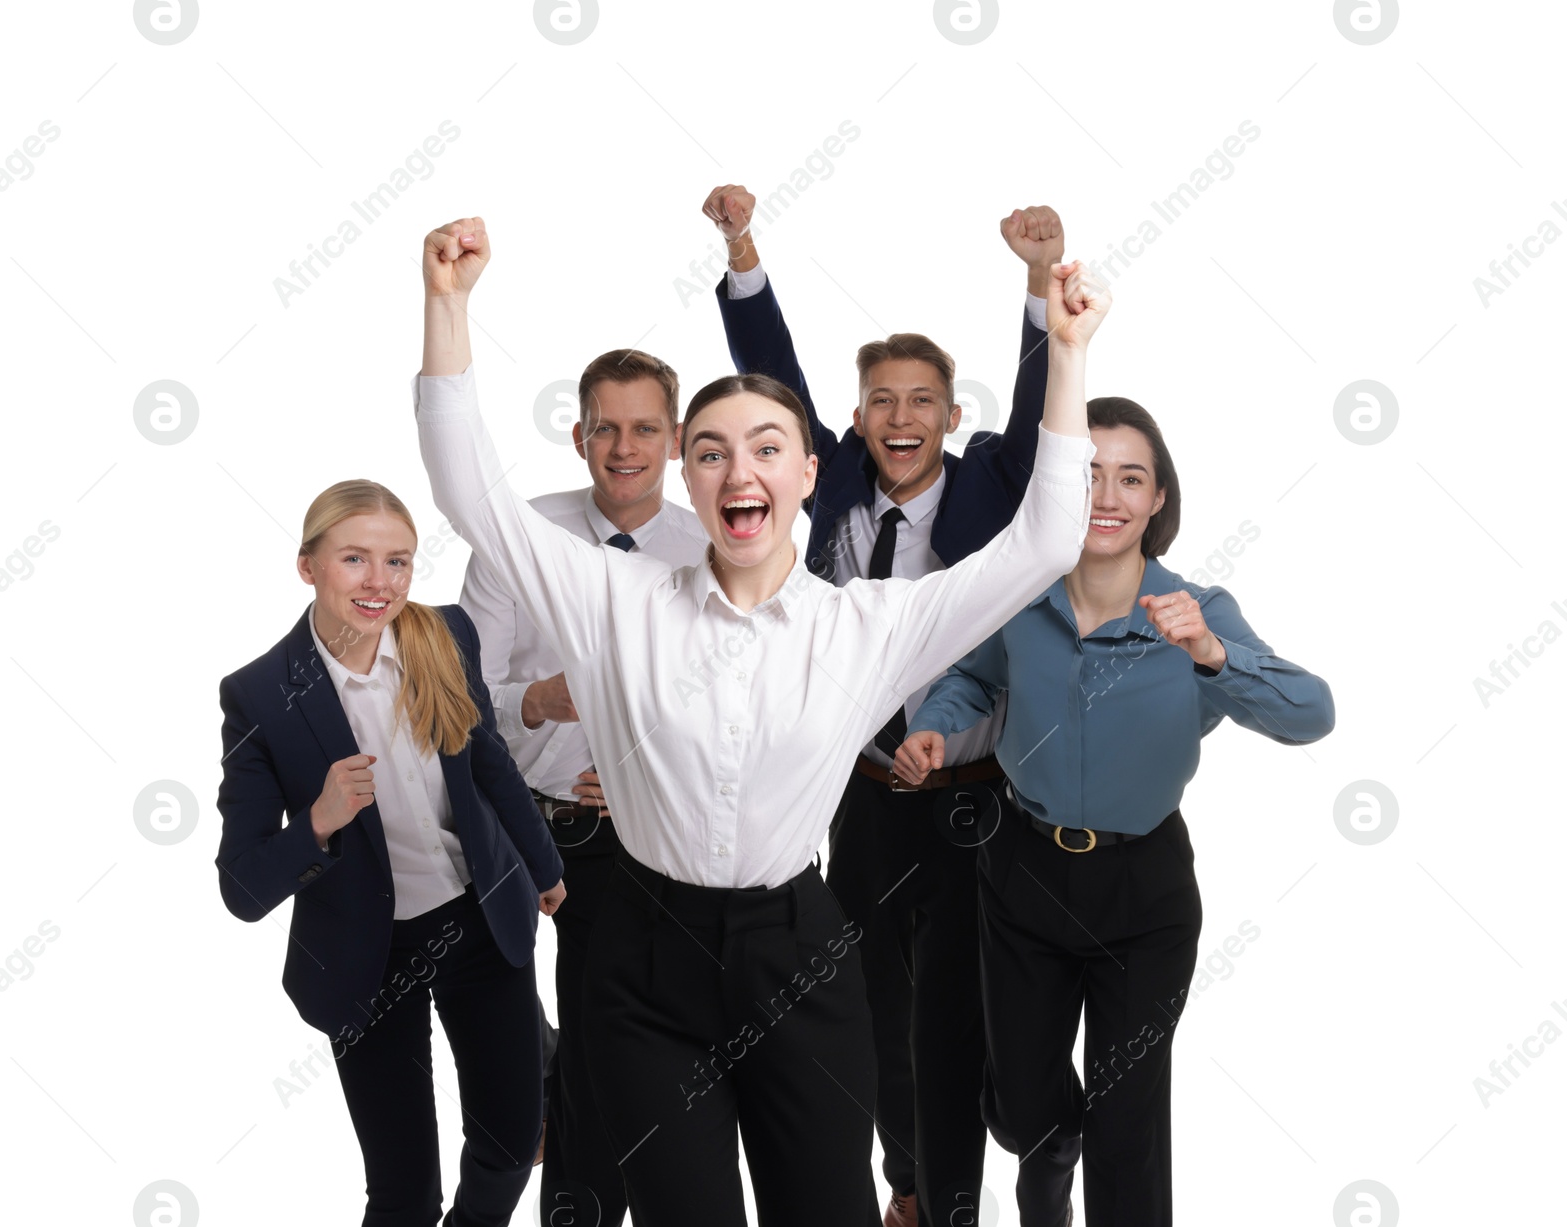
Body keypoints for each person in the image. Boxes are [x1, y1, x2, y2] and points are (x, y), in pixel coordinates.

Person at [412, 215, 1104, 1227]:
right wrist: (449, 305)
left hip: (800, 955)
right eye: (711, 452)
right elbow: (468, 491)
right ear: (689, 480)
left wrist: (1071, 355)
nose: (740, 472)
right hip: (641, 964)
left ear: (807, 476)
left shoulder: (871, 625)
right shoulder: (610, 598)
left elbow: (1044, 539)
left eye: (767, 449)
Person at [700, 183, 1064, 1227]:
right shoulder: (825, 484)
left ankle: (976, 1158)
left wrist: (1038, 285)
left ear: (952, 417)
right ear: (856, 418)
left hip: (977, 795)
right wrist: (740, 247)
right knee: (864, 999)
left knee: (962, 1013)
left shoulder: (995, 479)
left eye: (921, 403)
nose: (900, 420)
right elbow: (767, 374)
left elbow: (1049, 417)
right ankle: (911, 1183)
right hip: (858, 789)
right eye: (881, 402)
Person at [893, 398, 1336, 1227]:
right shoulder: (1022, 597)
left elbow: (1311, 713)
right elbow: (974, 680)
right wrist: (934, 729)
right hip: (1022, 876)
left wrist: (1212, 653)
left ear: (1158, 498)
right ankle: (1050, 1150)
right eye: (1089, 473)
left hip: (1144, 892)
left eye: (1130, 476)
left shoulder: (1198, 610)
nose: (1108, 494)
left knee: (1129, 1126)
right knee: (1023, 1111)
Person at [215, 479, 567, 1227]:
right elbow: (242, 886)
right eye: (355, 559)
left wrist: (544, 866)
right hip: (364, 958)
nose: (380, 583)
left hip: (477, 920)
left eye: (398, 562)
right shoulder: (259, 694)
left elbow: (490, 762)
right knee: (405, 1192)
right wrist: (317, 818)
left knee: (511, 1138)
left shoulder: (444, 634)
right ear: (308, 566)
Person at [459, 345, 707, 1226]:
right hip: (529, 818)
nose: (625, 446)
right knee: (517, 1008)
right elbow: (458, 697)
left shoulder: (706, 543)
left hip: (649, 833)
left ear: (675, 440)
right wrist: (541, 699)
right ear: (579, 436)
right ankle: (553, 1116)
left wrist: (654, 765)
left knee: (622, 1041)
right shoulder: (523, 537)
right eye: (607, 427)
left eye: (646, 428)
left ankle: (584, 1192)